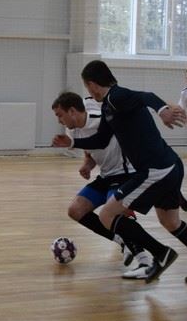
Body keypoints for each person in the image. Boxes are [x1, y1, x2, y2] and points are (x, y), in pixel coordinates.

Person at [55, 60, 187, 283]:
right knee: (171, 223)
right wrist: (72, 143)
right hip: (168, 166)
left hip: (156, 169)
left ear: (92, 84)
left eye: (87, 86)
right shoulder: (108, 106)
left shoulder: (116, 96)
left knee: (107, 214)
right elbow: (101, 140)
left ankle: (160, 253)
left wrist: (163, 110)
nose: (89, 92)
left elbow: (146, 96)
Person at [51, 91, 154, 279]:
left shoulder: (102, 120)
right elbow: (90, 153)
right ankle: (121, 241)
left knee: (111, 212)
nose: (59, 120)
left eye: (60, 115)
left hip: (126, 174)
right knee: (75, 210)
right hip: (106, 176)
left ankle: (145, 261)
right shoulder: (72, 131)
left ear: (72, 111)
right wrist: (87, 165)